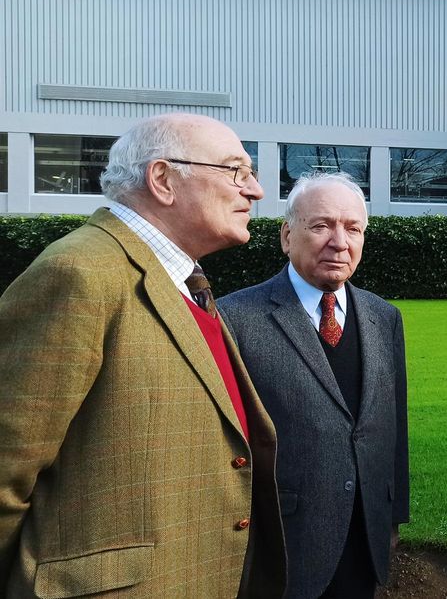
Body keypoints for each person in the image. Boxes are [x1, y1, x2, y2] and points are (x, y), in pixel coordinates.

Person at [0, 113, 286, 597]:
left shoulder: (180, 278)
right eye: (236, 170)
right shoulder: (80, 273)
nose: (255, 190)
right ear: (163, 180)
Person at [219, 172, 409, 599]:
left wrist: (394, 516)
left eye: (353, 228)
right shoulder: (236, 319)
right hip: (282, 544)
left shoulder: (384, 317)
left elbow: (393, 429)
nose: (339, 241)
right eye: (321, 225)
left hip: (365, 538)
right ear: (287, 236)